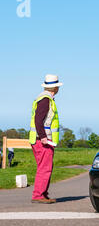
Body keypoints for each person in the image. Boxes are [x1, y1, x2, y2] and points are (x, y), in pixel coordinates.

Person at [29, 75, 62, 204]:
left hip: (39, 139)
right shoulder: (45, 100)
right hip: (42, 140)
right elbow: (38, 120)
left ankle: (42, 193)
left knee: (44, 167)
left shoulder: (43, 98)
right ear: (54, 88)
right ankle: (38, 195)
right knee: (45, 168)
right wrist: (43, 137)